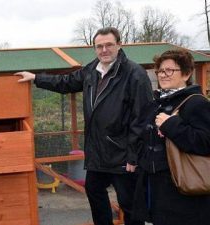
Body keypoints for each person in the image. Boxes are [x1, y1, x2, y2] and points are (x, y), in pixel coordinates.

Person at [15, 27, 152, 225]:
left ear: (119, 45)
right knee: (94, 190)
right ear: (95, 48)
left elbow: (142, 118)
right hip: (98, 152)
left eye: (109, 45)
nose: (104, 50)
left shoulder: (134, 74)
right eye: (99, 46)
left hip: (123, 153)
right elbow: (66, 82)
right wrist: (37, 78)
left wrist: (134, 156)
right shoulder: (92, 70)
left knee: (128, 203)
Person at [135, 49, 210, 224]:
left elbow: (206, 142)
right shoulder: (155, 103)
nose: (163, 75)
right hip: (155, 188)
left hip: (183, 193)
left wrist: (172, 125)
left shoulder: (196, 103)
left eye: (170, 70)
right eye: (160, 70)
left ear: (186, 73)